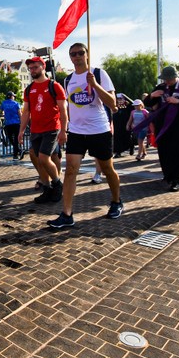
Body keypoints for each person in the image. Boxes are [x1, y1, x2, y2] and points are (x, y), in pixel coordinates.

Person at [49, 43, 122, 228]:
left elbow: (112, 103)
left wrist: (95, 85)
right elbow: (66, 106)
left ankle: (116, 201)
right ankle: (67, 214)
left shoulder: (98, 74)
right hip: (77, 132)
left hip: (99, 130)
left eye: (81, 53)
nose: (77, 56)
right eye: (73, 54)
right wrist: (64, 128)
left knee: (107, 169)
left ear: (87, 54)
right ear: (70, 57)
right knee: (71, 170)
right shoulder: (68, 80)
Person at [143, 66, 179, 191]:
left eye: (168, 79)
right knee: (164, 152)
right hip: (163, 126)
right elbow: (148, 104)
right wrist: (152, 95)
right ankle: (167, 176)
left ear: (175, 76)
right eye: (164, 79)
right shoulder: (161, 87)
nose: (166, 81)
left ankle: (176, 180)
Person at [18, 56, 67, 204]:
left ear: (43, 67)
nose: (32, 70)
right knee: (37, 157)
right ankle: (47, 188)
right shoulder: (29, 89)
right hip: (35, 129)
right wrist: (21, 131)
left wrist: (64, 130)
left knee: (44, 157)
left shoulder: (54, 86)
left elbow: (63, 110)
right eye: (30, 68)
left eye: (35, 67)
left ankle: (57, 184)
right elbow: (26, 112)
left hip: (52, 128)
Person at [0, 91, 22, 159]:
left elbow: (1, 112)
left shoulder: (4, 103)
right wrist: (22, 122)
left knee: (10, 138)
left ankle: (18, 151)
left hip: (8, 123)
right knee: (16, 139)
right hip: (16, 123)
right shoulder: (16, 103)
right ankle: (16, 153)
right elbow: (19, 114)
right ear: (12, 96)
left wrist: (3, 115)